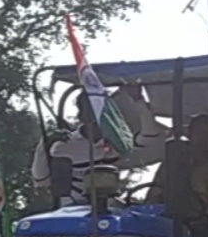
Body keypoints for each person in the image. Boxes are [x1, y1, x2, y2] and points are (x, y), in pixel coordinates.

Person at [30, 84, 169, 208]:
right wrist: (44, 145)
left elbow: (150, 138)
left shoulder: (118, 141)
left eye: (101, 111)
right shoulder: (65, 144)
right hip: (74, 209)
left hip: (110, 209)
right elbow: (41, 180)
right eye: (90, 111)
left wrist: (139, 101)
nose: (95, 118)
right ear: (81, 115)